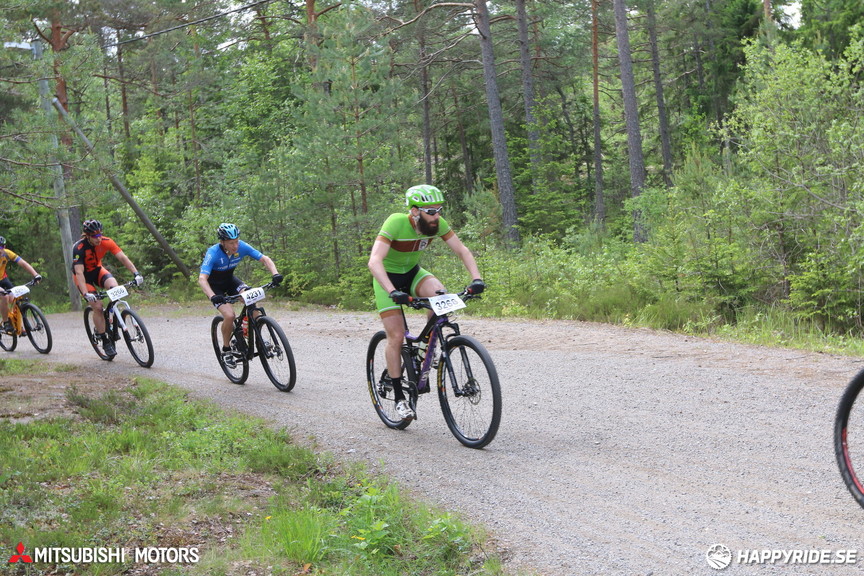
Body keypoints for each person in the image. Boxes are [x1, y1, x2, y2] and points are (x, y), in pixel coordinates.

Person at [368, 184, 485, 421]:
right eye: (430, 211)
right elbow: (374, 261)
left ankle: (424, 350)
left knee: (441, 297)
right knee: (396, 336)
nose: (437, 216)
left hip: (412, 273)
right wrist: (391, 291)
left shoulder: (437, 225)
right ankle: (400, 398)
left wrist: (477, 279)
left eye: (439, 210)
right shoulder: (395, 222)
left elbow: (462, 250)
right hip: (387, 279)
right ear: (414, 211)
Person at [198, 223, 283, 369]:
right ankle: (226, 350)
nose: (235, 245)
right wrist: (212, 296)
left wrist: (275, 274)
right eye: (231, 243)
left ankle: (256, 337)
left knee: (251, 299)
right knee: (229, 316)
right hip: (215, 287)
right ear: (222, 242)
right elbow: (202, 279)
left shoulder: (242, 246)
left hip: (230, 281)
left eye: (236, 241)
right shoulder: (213, 253)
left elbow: (265, 259)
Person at [71, 219, 144, 357]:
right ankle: (104, 339)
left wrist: (136, 273)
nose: (98, 239)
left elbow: (123, 258)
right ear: (87, 236)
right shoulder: (79, 248)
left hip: (97, 270)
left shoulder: (106, 241)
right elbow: (79, 272)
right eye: (95, 236)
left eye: (100, 235)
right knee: (97, 306)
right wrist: (86, 294)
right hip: (82, 278)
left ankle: (110, 315)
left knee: (115, 290)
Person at [0, 235, 43, 334]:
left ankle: (18, 324)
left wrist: (35, 274)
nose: (0, 249)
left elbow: (23, 263)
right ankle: (6, 323)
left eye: (1, 247)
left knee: (16, 296)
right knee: (5, 297)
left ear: (4, 247)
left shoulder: (7, 254)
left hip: (3, 278)